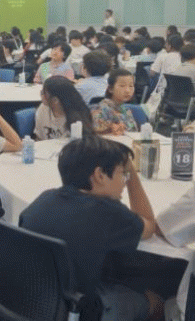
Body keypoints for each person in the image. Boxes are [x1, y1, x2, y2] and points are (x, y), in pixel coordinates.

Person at [19, 136, 162, 321]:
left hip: (29, 304)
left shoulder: (44, 198)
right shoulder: (109, 212)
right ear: (99, 175)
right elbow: (149, 224)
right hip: (80, 311)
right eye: (122, 174)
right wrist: (133, 175)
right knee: (155, 300)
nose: (124, 181)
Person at [35, 76, 94, 140]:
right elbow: (39, 138)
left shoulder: (77, 117)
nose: (41, 95)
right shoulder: (43, 109)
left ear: (55, 100)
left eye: (43, 93)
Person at [91, 68, 138, 134]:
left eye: (131, 86)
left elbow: (134, 132)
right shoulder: (99, 109)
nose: (127, 90)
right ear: (110, 89)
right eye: (122, 86)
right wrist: (109, 129)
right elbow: (95, 132)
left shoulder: (126, 110)